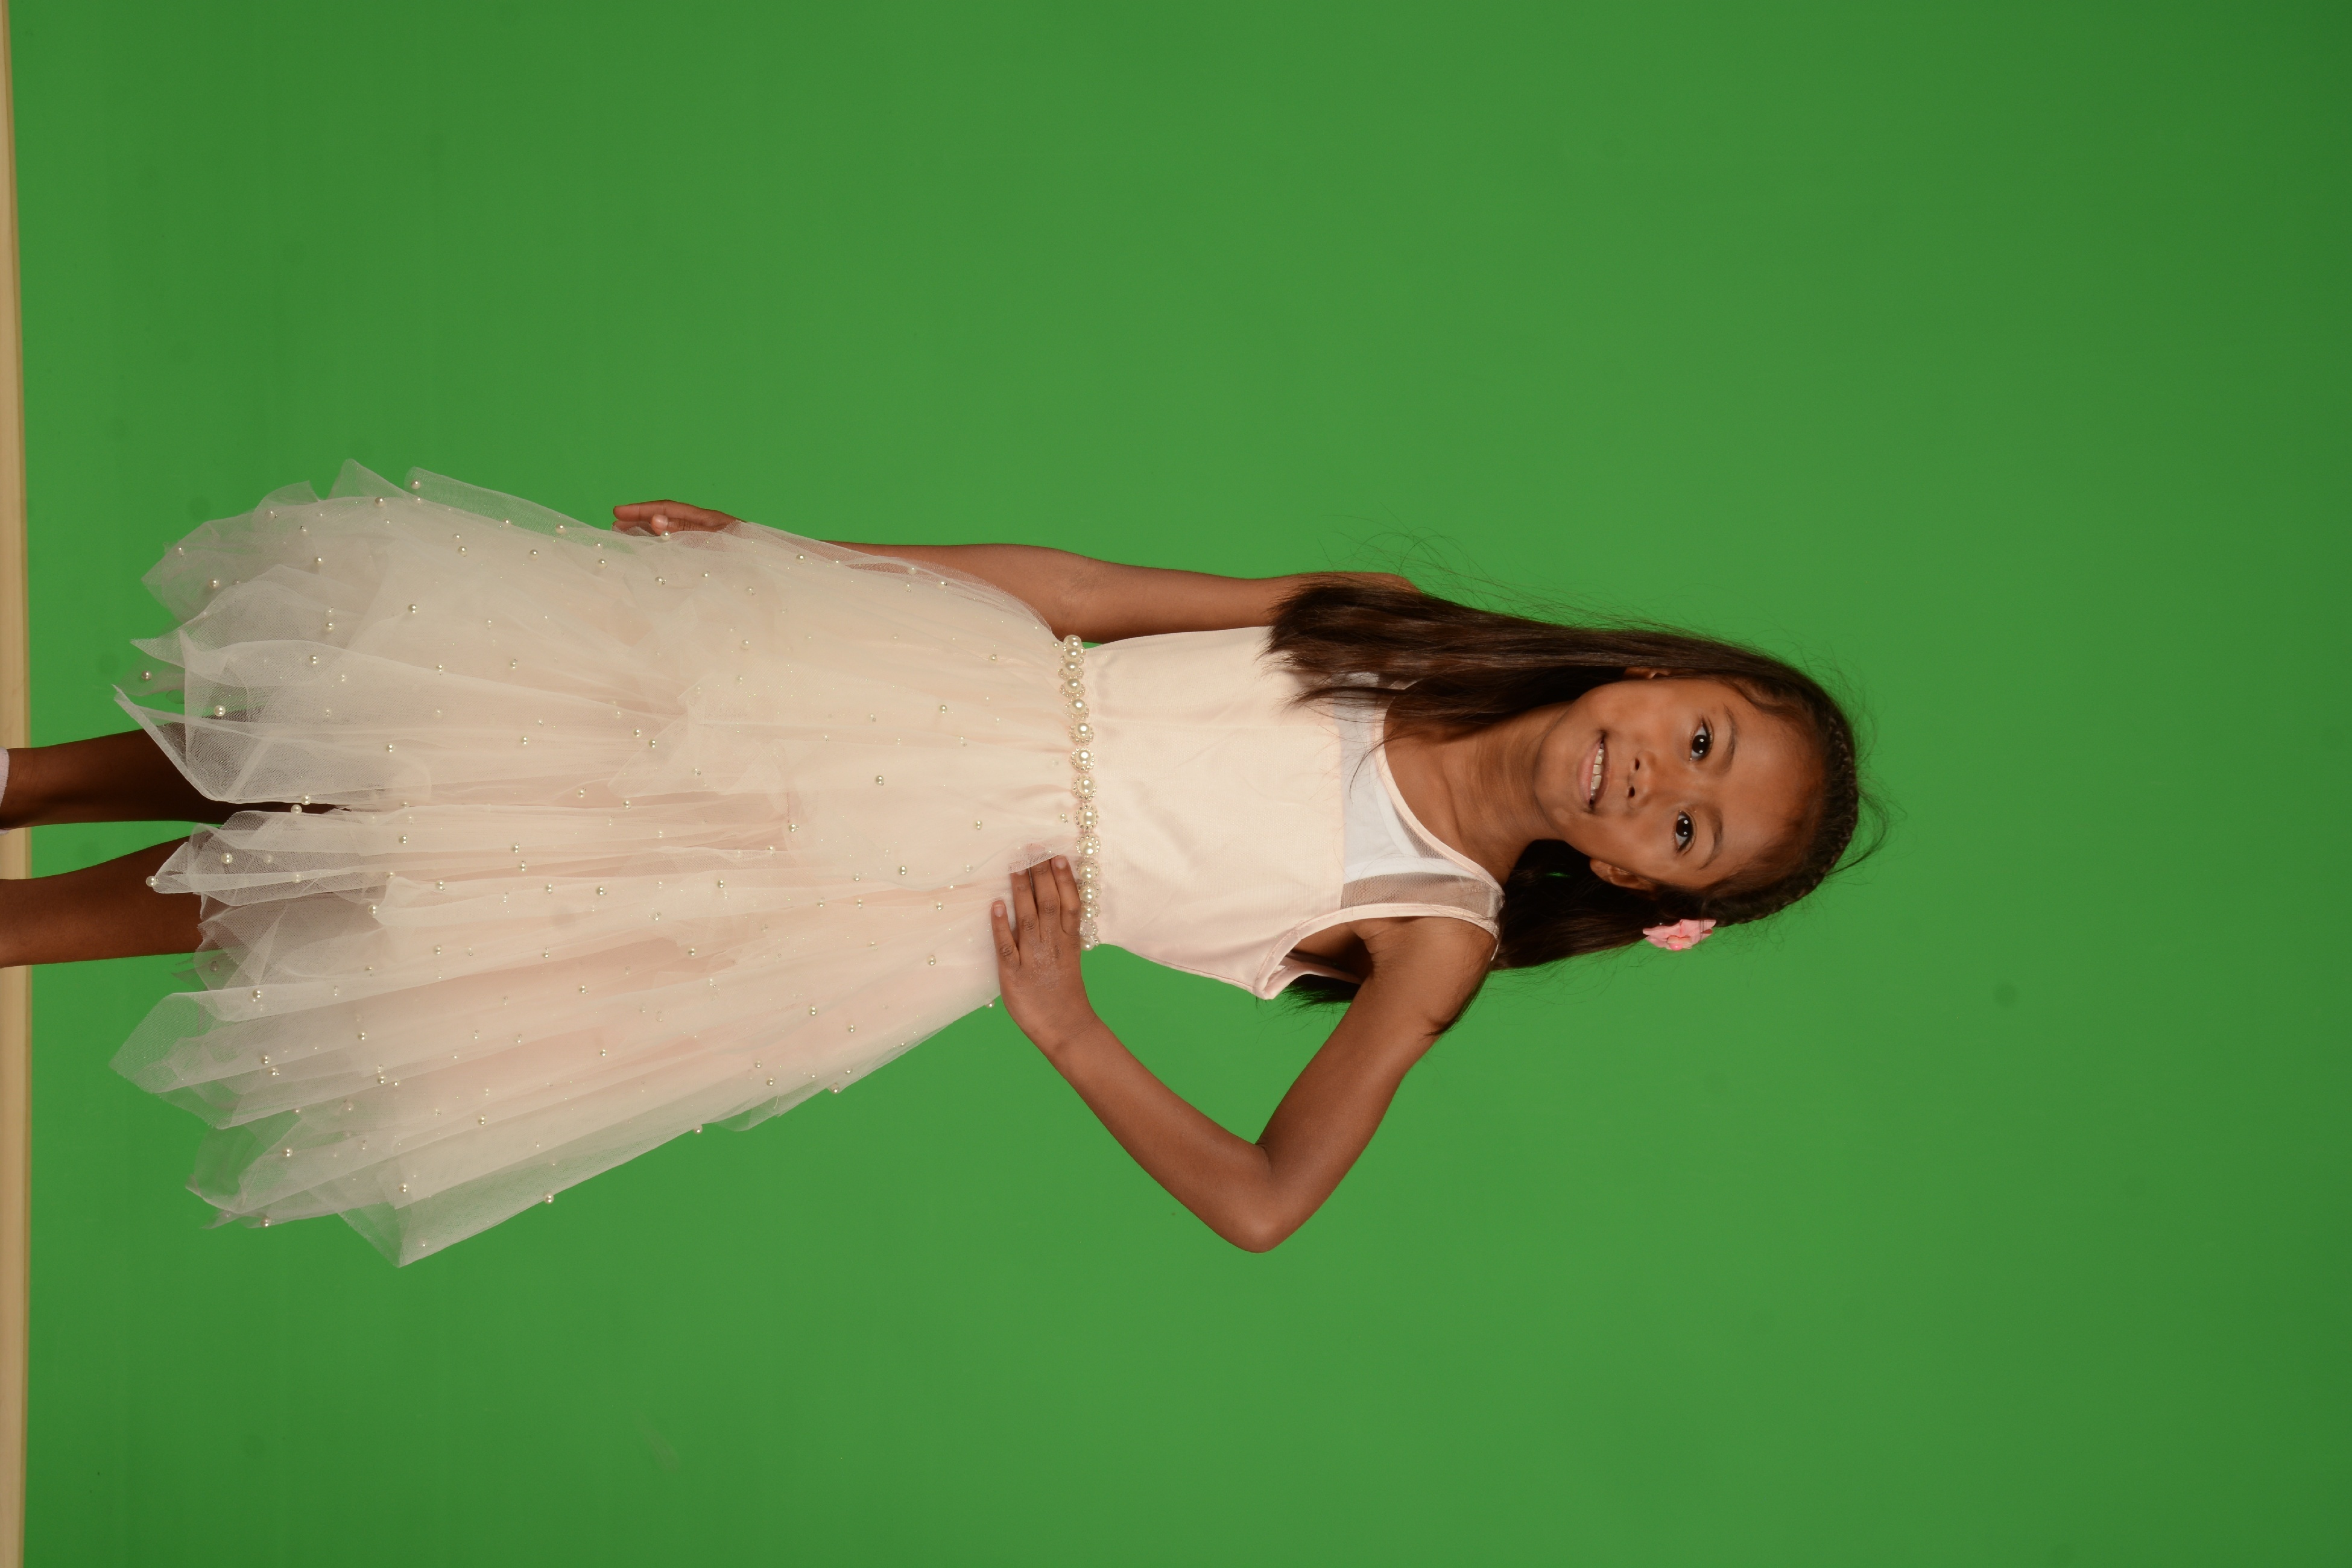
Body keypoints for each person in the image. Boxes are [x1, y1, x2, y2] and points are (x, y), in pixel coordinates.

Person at [1, 464, 1866, 1263]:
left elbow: (1265, 1199)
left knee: (415, 887)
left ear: (1645, 891)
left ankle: (17, 925)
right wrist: (806, 563)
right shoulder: (1395, 633)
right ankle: (22, 783)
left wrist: (1067, 1027)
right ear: (1664, 670)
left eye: (1684, 826)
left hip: (853, 895)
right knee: (418, 737)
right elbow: (1081, 593)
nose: (1656, 777)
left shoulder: (1429, 933)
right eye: (1698, 736)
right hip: (856, 689)